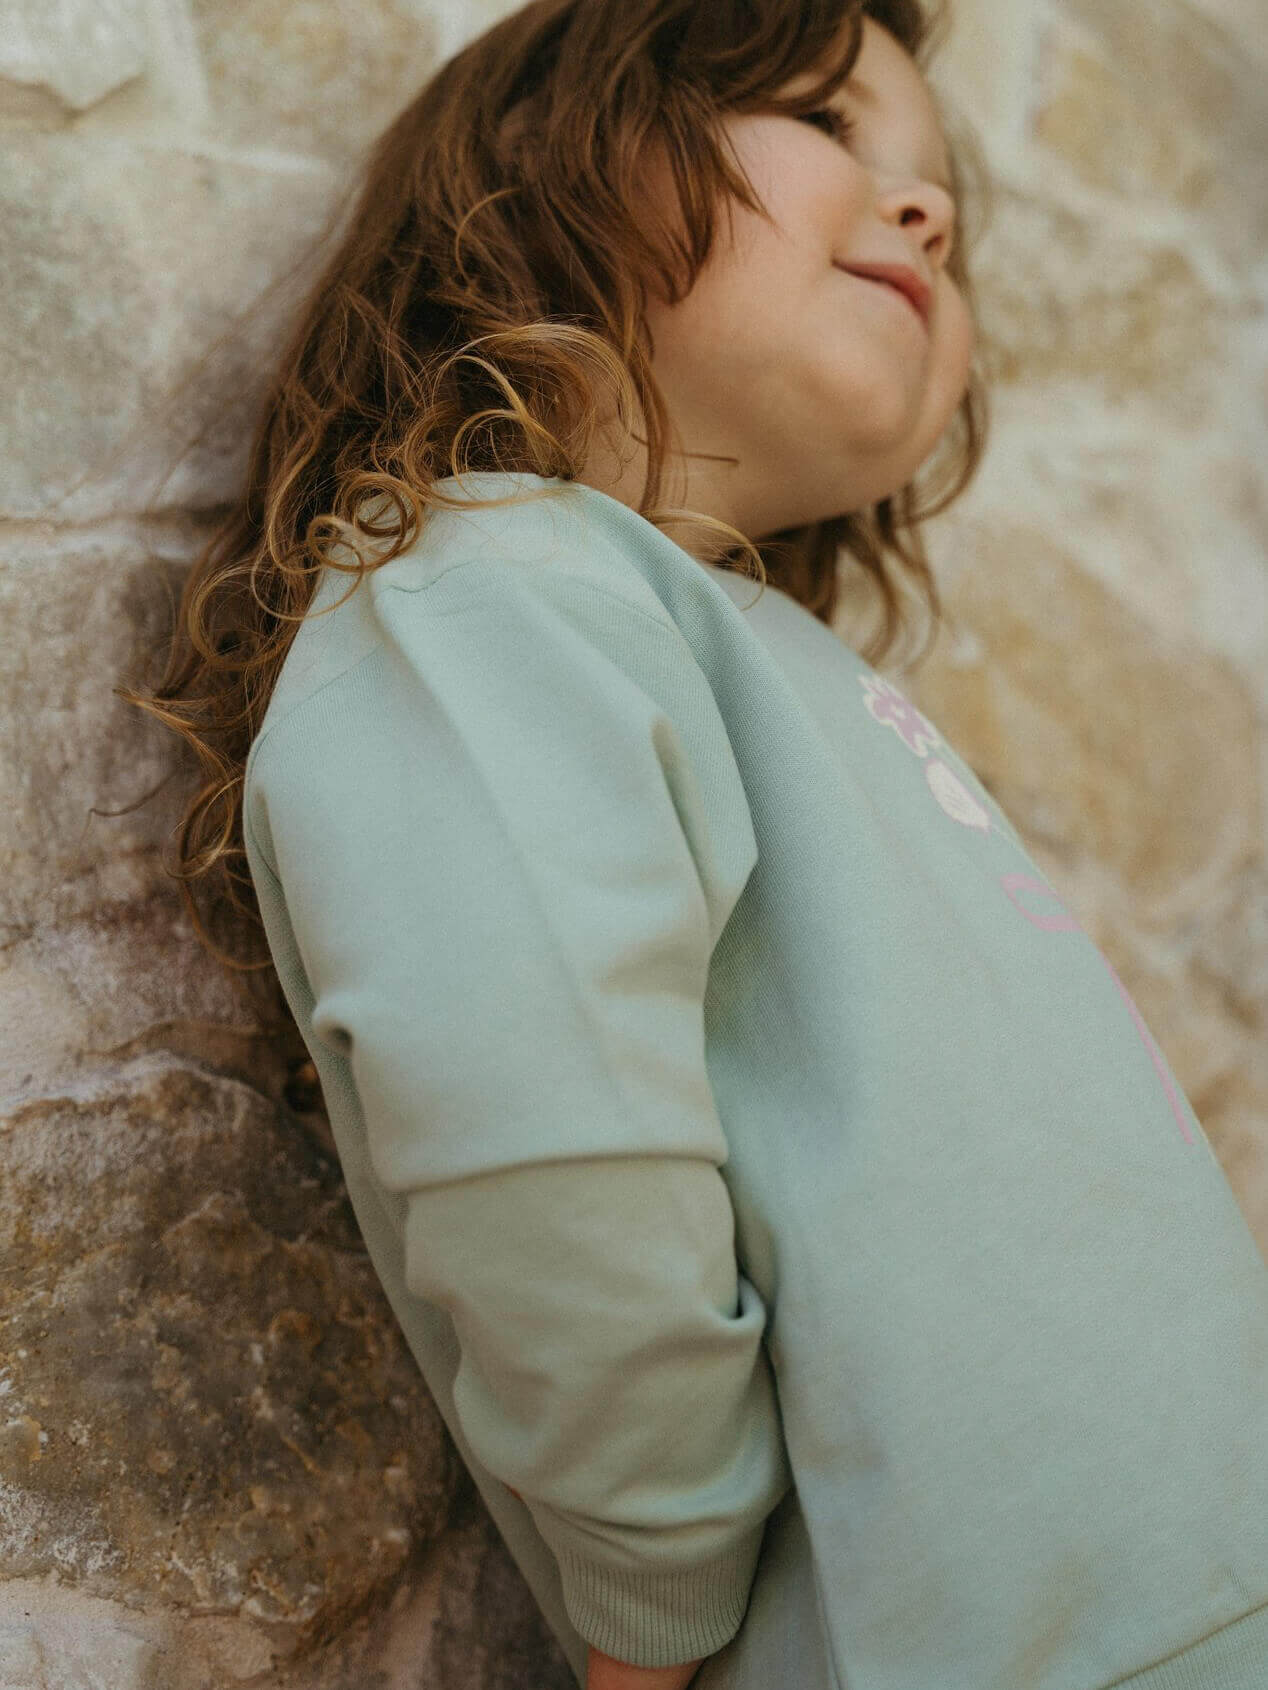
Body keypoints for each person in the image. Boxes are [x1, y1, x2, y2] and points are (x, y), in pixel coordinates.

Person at [122, 2, 1268, 1686]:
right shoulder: (475, 593)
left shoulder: (768, 662)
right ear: (541, 170)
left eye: (937, 189)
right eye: (820, 119)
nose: (926, 212)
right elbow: (537, 1103)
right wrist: (653, 1580)